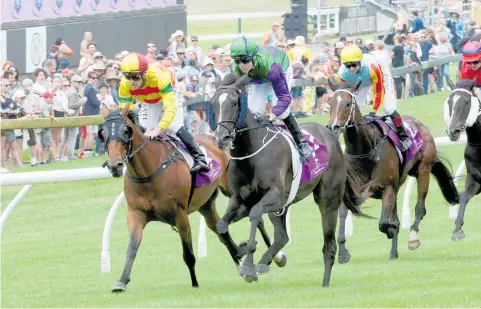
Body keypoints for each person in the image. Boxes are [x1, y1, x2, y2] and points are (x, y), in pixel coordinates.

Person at [118, 53, 209, 172]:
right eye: (127, 77)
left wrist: (158, 129)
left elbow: (170, 109)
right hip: (149, 100)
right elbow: (126, 112)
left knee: (173, 126)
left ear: (144, 74)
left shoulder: (160, 76)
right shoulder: (124, 85)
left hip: (169, 93)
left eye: (135, 77)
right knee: (145, 129)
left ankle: (200, 158)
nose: (131, 82)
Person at [229, 36, 313, 163]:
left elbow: (284, 99)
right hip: (259, 77)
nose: (241, 65)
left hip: (280, 69)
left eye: (245, 60)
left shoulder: (272, 68)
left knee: (282, 111)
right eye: (237, 61)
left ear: (254, 57)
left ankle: (301, 143)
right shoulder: (238, 69)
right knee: (254, 110)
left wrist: (270, 117)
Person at [338, 45, 412, 151]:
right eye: (347, 66)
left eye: (354, 65)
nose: (351, 69)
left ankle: (403, 136)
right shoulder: (342, 73)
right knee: (353, 108)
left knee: (388, 109)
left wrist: (372, 112)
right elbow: (344, 95)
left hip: (381, 75)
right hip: (361, 80)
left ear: (360, 61)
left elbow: (379, 92)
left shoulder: (372, 68)